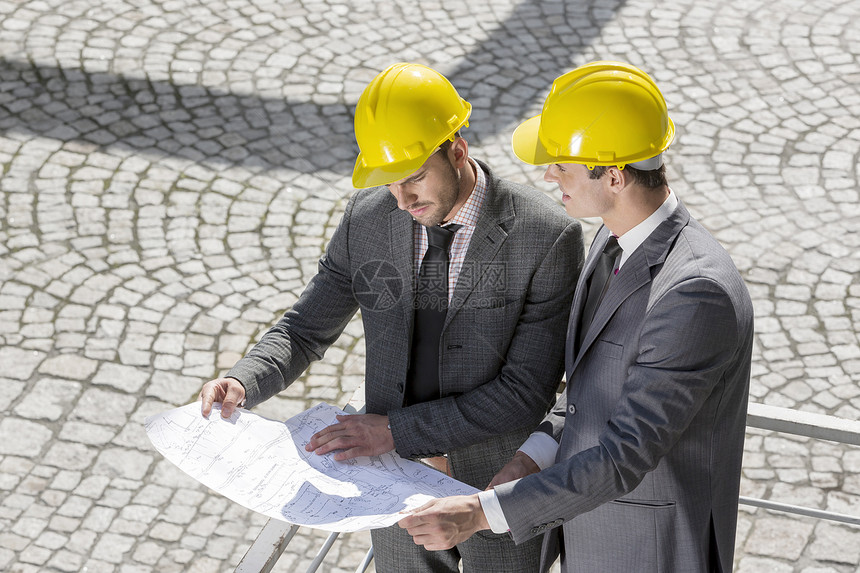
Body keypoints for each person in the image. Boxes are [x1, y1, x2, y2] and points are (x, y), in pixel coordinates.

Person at [199, 62, 584, 572]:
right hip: (389, 487)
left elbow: (524, 392)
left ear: (457, 149)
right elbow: (305, 327)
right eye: (389, 185)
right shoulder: (368, 219)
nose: (402, 201)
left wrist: (393, 432)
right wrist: (243, 381)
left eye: (415, 179)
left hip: (492, 491)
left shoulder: (546, 236)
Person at [399, 61, 755, 573]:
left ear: (613, 175)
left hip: (646, 552)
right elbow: (588, 394)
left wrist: (478, 513)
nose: (547, 175)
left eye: (561, 165)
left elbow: (625, 455)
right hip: (589, 534)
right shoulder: (610, 240)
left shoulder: (696, 292)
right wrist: (528, 459)